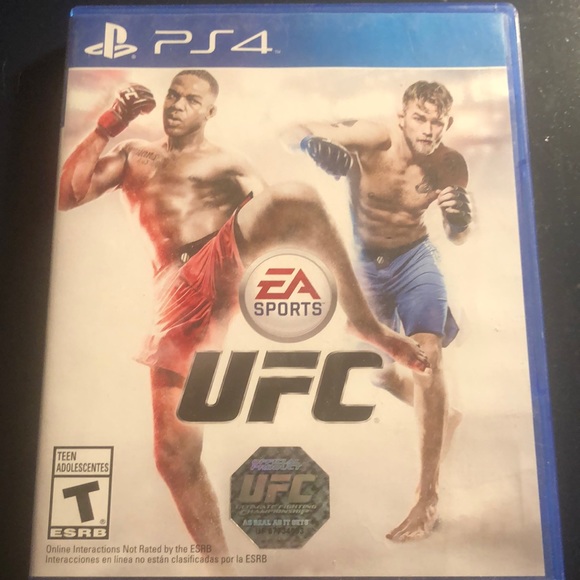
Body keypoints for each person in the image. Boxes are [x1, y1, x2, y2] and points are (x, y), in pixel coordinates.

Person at [58, 70, 430, 556]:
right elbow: (68, 194)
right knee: (173, 457)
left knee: (296, 198)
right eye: (174, 95)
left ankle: (366, 325)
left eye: (192, 100)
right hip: (174, 291)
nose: (178, 105)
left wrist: (299, 292)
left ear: (209, 112)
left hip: (222, 255)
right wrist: (109, 124)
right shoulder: (134, 155)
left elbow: (278, 217)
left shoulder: (227, 162)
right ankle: (221, 568)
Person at [290, 80, 472, 542]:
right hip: (365, 268)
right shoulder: (373, 138)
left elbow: (457, 236)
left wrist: (460, 221)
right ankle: (442, 414)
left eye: (437, 122)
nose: (428, 130)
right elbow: (293, 129)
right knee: (379, 374)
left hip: (415, 260)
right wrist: (313, 145)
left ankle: (426, 497)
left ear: (447, 124)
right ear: (402, 116)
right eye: (420, 118)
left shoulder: (450, 164)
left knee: (427, 358)